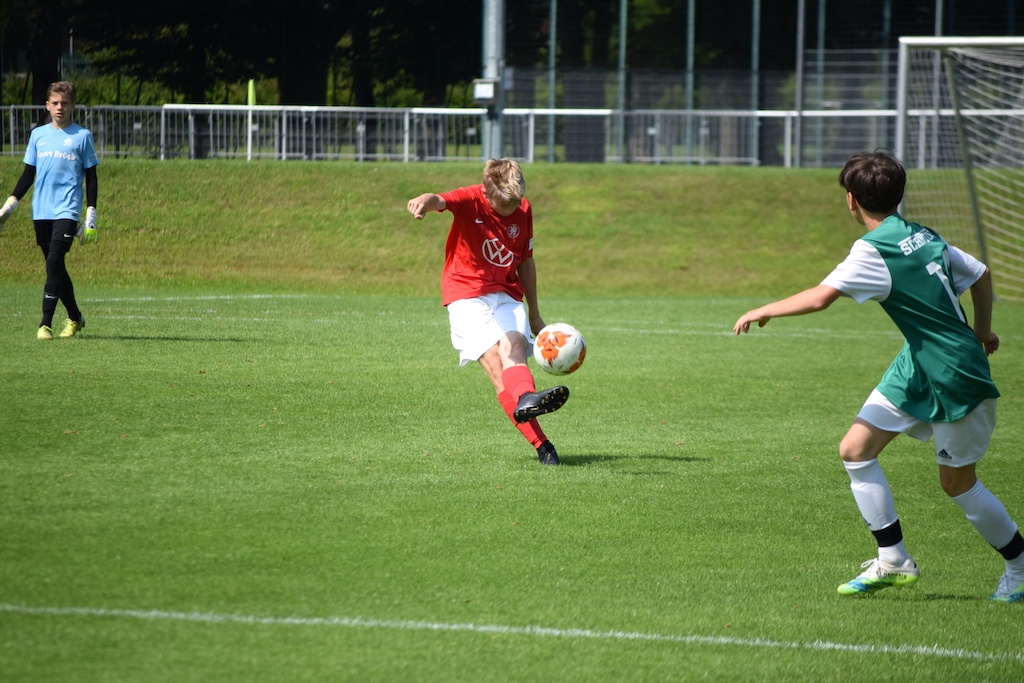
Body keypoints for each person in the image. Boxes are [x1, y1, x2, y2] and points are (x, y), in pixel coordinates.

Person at [733, 151, 1024, 602]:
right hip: (919, 363)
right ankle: (893, 559)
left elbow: (820, 298)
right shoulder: (922, 234)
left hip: (953, 372)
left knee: (957, 483)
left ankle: (1020, 567)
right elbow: (981, 275)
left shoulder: (873, 249)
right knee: (855, 449)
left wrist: (763, 308)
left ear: (851, 200)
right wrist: (982, 331)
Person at [407, 158, 568, 465]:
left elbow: (526, 260)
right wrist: (423, 202)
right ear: (487, 192)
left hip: (506, 290)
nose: (511, 209)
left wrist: (535, 313)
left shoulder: (523, 208)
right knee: (496, 365)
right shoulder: (470, 198)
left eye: (515, 203)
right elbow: (439, 199)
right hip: (465, 292)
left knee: (515, 347)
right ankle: (543, 445)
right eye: (504, 205)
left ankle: (526, 397)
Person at [0, 80, 100, 340]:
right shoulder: (38, 135)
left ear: (73, 106)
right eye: (55, 102)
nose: (59, 107)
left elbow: (92, 177)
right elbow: (28, 175)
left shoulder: (82, 136)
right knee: (55, 266)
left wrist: (91, 213)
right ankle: (75, 317)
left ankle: (45, 324)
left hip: (67, 210)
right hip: (41, 211)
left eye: (64, 103)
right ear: (47, 105)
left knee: (54, 261)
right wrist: (9, 206)